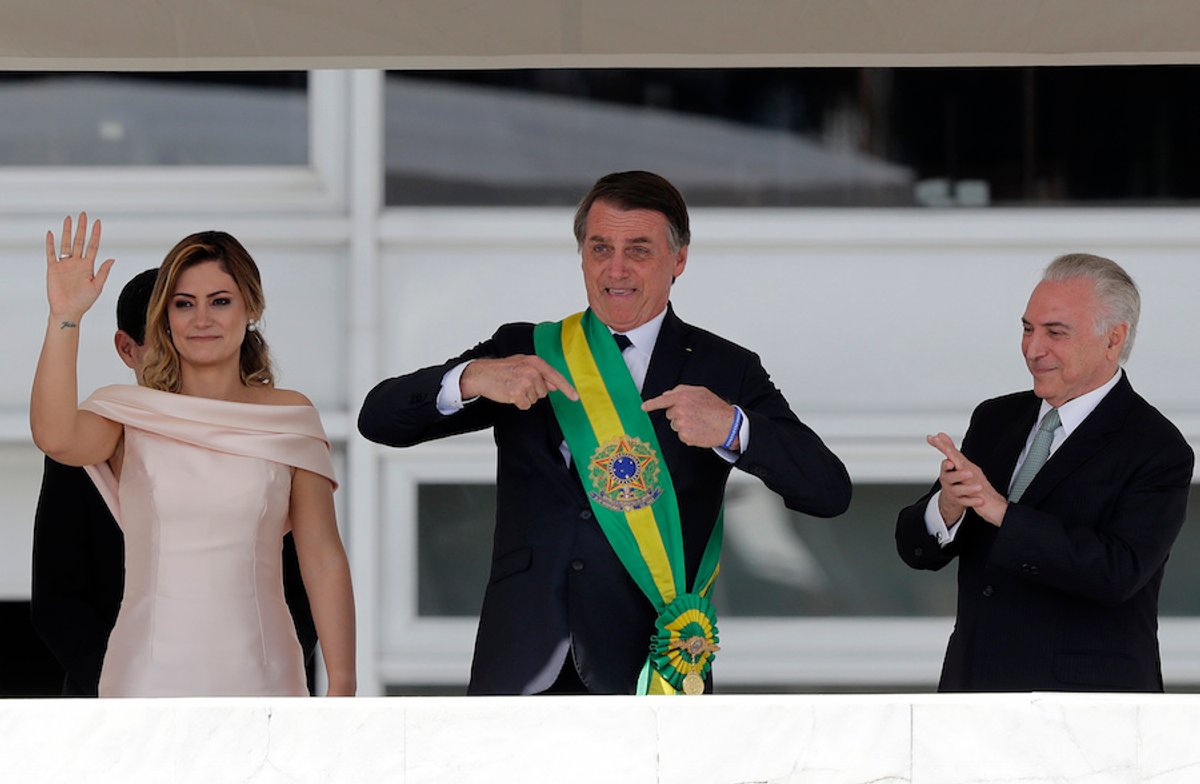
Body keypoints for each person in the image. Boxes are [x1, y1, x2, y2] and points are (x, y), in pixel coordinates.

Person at [358, 170, 852, 695]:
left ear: (678, 260)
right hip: (521, 657)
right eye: (600, 248)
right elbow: (378, 419)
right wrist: (475, 376)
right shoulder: (529, 349)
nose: (615, 269)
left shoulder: (724, 368)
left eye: (638, 250)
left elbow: (829, 490)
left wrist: (734, 426)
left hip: (648, 663)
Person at [31, 215, 355, 697]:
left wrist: (344, 686)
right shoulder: (128, 413)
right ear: (165, 316)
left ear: (250, 309)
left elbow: (323, 558)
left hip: (264, 675)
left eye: (219, 302)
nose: (202, 319)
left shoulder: (291, 415)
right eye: (184, 305)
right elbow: (55, 436)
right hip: (144, 676)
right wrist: (66, 316)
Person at [896, 253, 1193, 692]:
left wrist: (1001, 512)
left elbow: (1118, 573)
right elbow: (916, 549)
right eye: (1028, 329)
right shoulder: (996, 418)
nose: (1034, 349)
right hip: (975, 692)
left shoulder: (1157, 447)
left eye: (1055, 333)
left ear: (1114, 339)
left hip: (1086, 706)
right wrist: (949, 504)